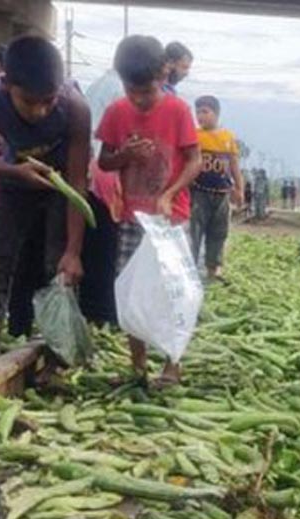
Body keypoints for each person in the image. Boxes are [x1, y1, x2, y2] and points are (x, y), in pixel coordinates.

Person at [0, 35, 90, 362]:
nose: (40, 110)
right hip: (14, 181)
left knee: (58, 268)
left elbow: (78, 183)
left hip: (59, 187)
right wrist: (15, 172)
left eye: (48, 101)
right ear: (8, 85)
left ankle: (58, 357)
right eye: (30, 101)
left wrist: (74, 251)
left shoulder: (75, 107)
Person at [97, 34, 201, 386]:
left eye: (146, 91)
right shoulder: (116, 112)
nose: (139, 99)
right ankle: (138, 366)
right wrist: (125, 156)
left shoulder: (177, 110)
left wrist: (171, 192)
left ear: (162, 75)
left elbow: (194, 160)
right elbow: (105, 161)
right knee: (131, 292)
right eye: (131, 90)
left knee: (172, 291)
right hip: (131, 218)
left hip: (171, 218)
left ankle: (172, 364)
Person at [189, 95, 244, 280]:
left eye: (205, 111)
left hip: (222, 195)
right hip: (199, 192)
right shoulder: (195, 136)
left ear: (216, 114)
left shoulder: (227, 137)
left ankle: (214, 266)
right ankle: (190, 266)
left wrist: (239, 189)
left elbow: (234, 166)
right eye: (197, 111)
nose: (200, 115)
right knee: (195, 230)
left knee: (219, 231)